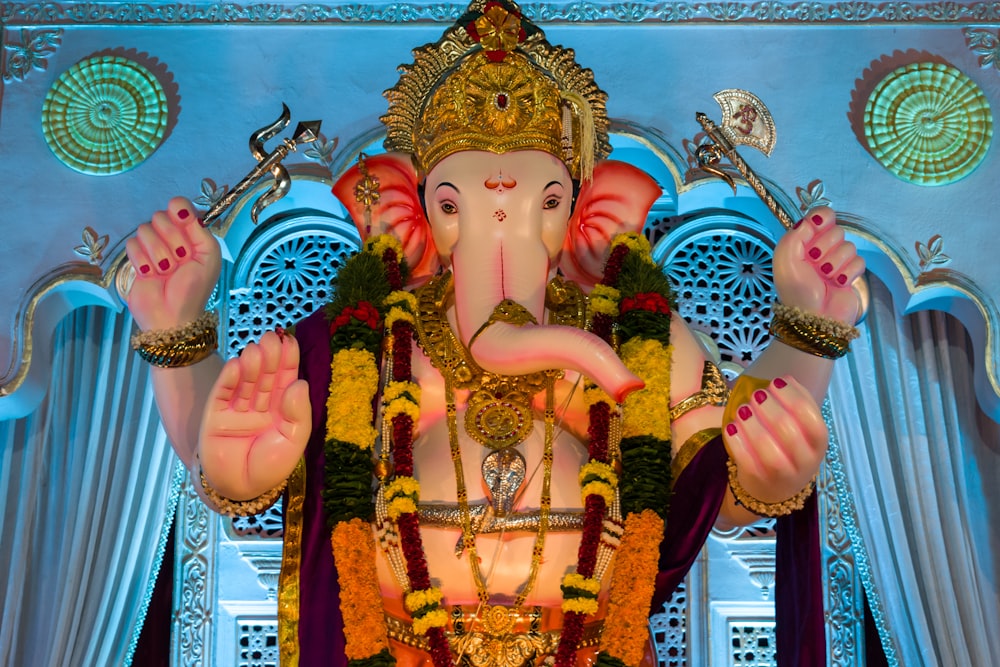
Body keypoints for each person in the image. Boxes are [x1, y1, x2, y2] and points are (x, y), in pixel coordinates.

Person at [124, 2, 865, 665]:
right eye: (457, 204)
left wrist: (803, 345)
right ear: (416, 219)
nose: (500, 225)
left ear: (588, 214)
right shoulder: (356, 345)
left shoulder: (639, 338)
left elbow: (718, 480)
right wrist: (187, 353)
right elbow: (226, 473)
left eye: (543, 201)